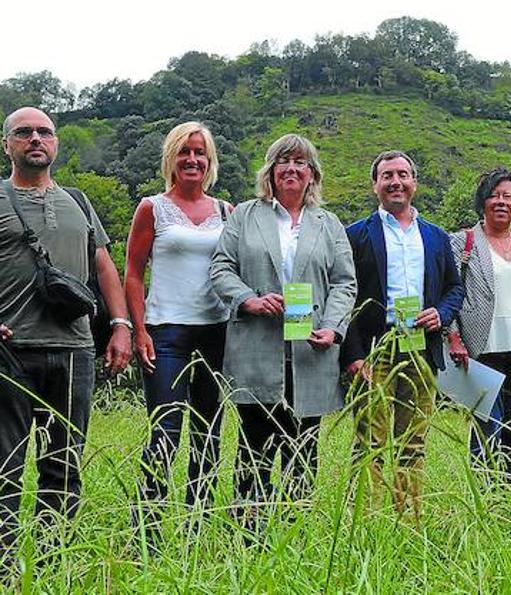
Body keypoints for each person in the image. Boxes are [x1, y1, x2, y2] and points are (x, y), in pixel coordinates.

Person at [0, 107, 131, 554]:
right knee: (5, 467)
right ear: (8, 145)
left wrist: (120, 325)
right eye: (24, 132)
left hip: (75, 350)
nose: (35, 139)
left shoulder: (77, 199)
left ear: (55, 144)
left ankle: (55, 563)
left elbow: (104, 265)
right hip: (10, 351)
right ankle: (6, 568)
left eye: (45, 132)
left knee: (64, 464)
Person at [210, 134, 356, 514]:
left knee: (304, 446)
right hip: (257, 349)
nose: (291, 169)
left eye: (300, 162)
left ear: (312, 174)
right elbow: (221, 267)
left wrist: (333, 326)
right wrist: (249, 300)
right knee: (253, 444)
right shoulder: (245, 214)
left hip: (311, 350)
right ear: (270, 172)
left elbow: (345, 281)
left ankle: (295, 526)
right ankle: (248, 528)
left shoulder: (329, 223)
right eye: (283, 161)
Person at [342, 150, 463, 518]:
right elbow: (344, 295)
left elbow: (454, 289)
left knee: (414, 441)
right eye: (387, 175)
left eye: (403, 174)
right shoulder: (356, 235)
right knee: (371, 441)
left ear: (415, 182)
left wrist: (440, 315)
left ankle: (408, 517)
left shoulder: (436, 236)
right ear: (375, 184)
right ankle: (364, 520)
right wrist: (353, 354)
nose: (396, 181)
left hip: (420, 350)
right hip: (375, 349)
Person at [124, 122, 231, 528]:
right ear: (172, 157)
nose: (192, 159)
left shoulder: (226, 211)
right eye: (184, 151)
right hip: (166, 333)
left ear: (210, 160)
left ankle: (197, 527)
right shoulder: (152, 207)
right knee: (165, 433)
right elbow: (133, 272)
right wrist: (140, 329)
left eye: (200, 152)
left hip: (216, 333)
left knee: (209, 434)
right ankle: (146, 529)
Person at [447, 167, 511, 487]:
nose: (500, 201)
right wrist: (453, 336)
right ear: (482, 202)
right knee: (489, 431)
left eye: (507, 196)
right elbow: (450, 292)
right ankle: (486, 501)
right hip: (481, 350)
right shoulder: (464, 241)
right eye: (494, 195)